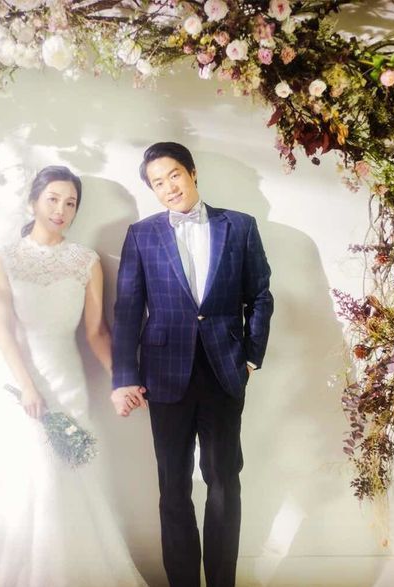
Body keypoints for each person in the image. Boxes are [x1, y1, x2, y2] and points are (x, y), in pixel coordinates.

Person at [0, 165, 147, 587]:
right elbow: (2, 331)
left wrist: (121, 379)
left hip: (70, 385)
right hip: (24, 384)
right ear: (33, 202)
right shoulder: (5, 258)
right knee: (36, 480)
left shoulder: (86, 261)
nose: (61, 210)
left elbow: (96, 332)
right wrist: (27, 386)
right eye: (53, 199)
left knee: (72, 479)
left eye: (70, 203)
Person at [111, 143, 274, 587]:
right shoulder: (141, 235)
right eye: (158, 183)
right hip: (164, 375)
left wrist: (251, 357)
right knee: (173, 487)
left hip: (225, 370)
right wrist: (124, 376)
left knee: (223, 481)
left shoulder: (239, 226)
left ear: (192, 173)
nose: (169, 187)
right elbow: (128, 309)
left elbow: (260, 295)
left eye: (174, 175)